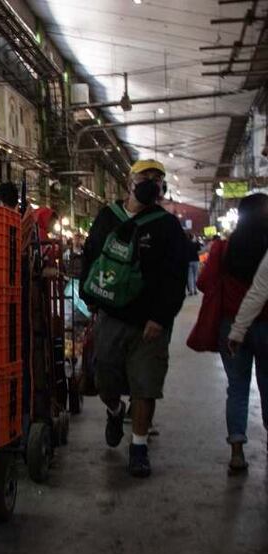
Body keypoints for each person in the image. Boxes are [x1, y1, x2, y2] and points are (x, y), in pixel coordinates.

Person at [80, 159, 188, 478]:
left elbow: (176, 275)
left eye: (157, 179)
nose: (152, 183)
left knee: (146, 385)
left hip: (149, 324)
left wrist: (161, 316)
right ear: (130, 181)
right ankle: (115, 411)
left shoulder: (166, 226)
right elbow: (90, 257)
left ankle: (138, 447)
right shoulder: (106, 217)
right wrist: (91, 300)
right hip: (110, 317)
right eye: (146, 177)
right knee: (104, 381)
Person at [203, 193, 268, 473]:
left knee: (238, 388)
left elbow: (203, 281)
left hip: (232, 326)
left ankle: (237, 451)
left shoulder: (224, 248)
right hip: (267, 325)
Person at [186, 231, 202, 296]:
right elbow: (199, 252)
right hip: (196, 261)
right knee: (196, 276)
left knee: (190, 277)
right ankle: (195, 290)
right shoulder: (196, 243)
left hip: (188, 261)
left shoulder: (185, 244)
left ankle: (191, 291)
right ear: (193, 237)